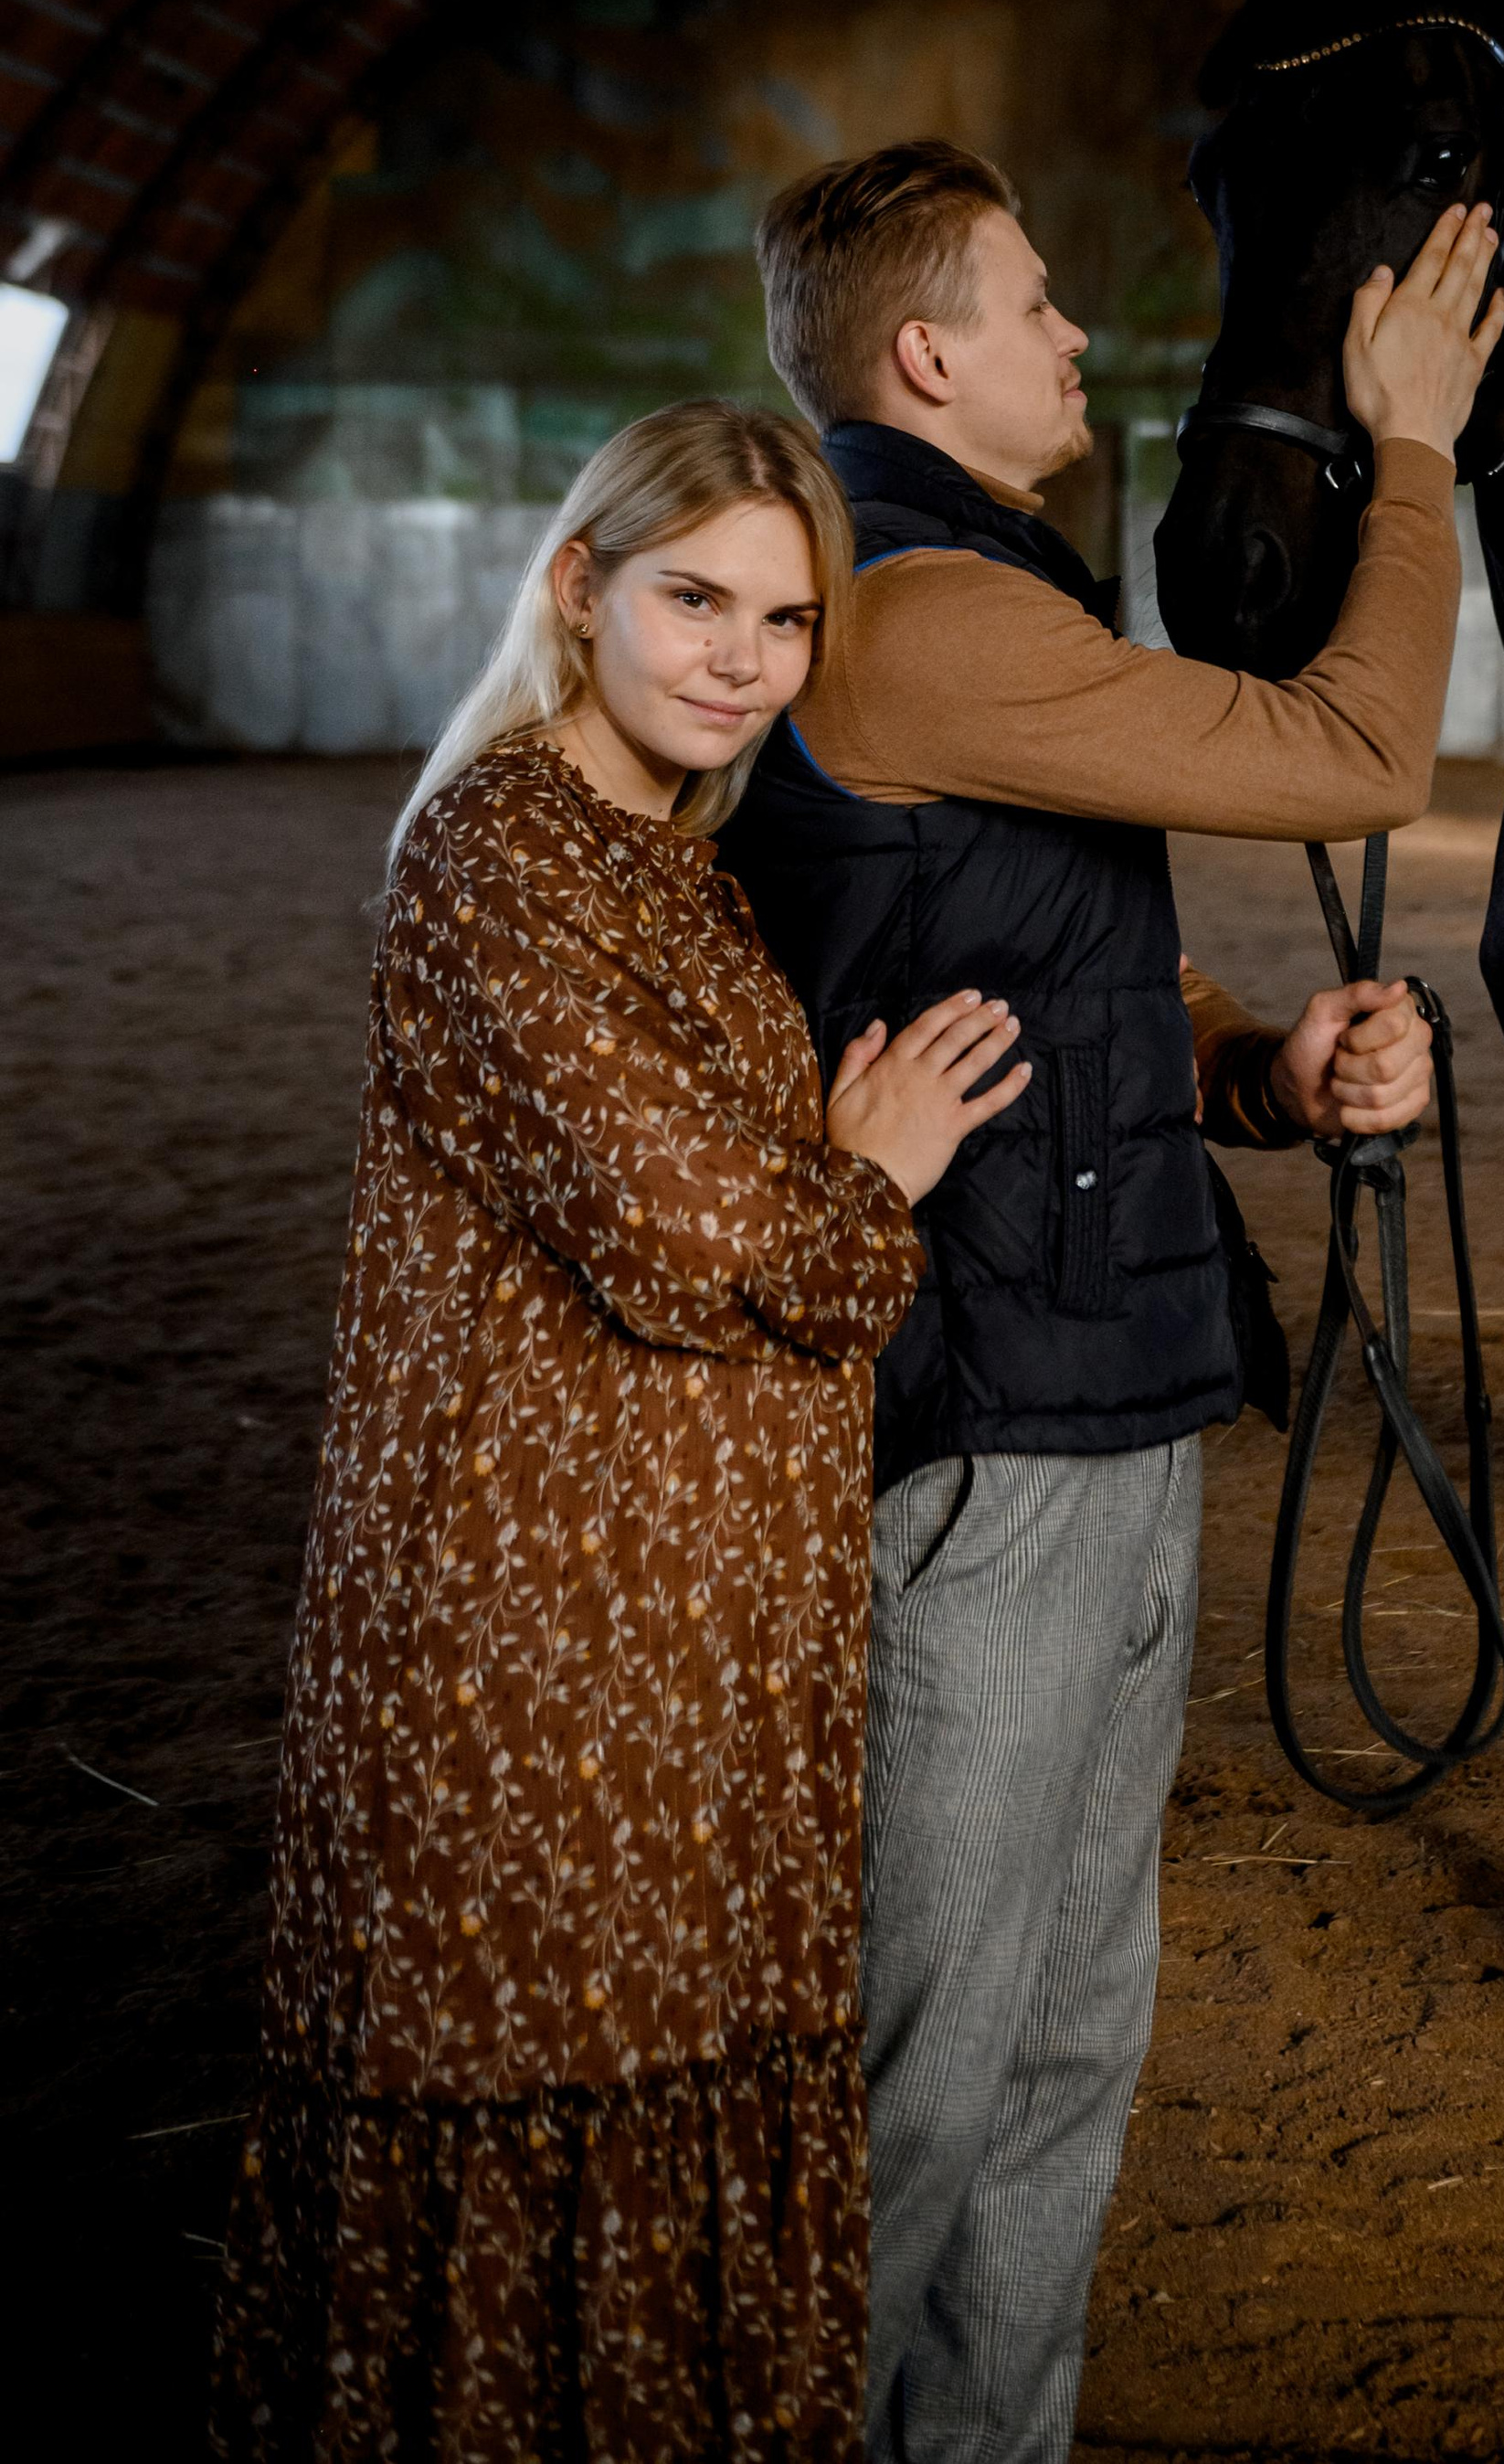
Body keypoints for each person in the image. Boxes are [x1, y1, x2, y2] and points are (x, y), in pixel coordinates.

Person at [724, 145, 1503, 2462]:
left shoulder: (970, 586)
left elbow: (1050, 958)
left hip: (1098, 1395)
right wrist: (1418, 442)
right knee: (924, 2085)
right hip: (991, 1440)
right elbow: (1360, 752)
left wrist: (1256, 1069)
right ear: (924, 355)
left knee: (1059, 2055)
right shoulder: (923, 609)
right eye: (1040, 304)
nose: (1081, 340)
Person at [212, 399, 1032, 2464]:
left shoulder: (667, 865)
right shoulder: (500, 852)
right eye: (693, 597)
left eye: (780, 615)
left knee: (681, 2096)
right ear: (578, 588)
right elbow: (699, 1232)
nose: (741, 655)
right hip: (534, 1643)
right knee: (529, 2105)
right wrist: (876, 1177)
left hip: (675, 1644)